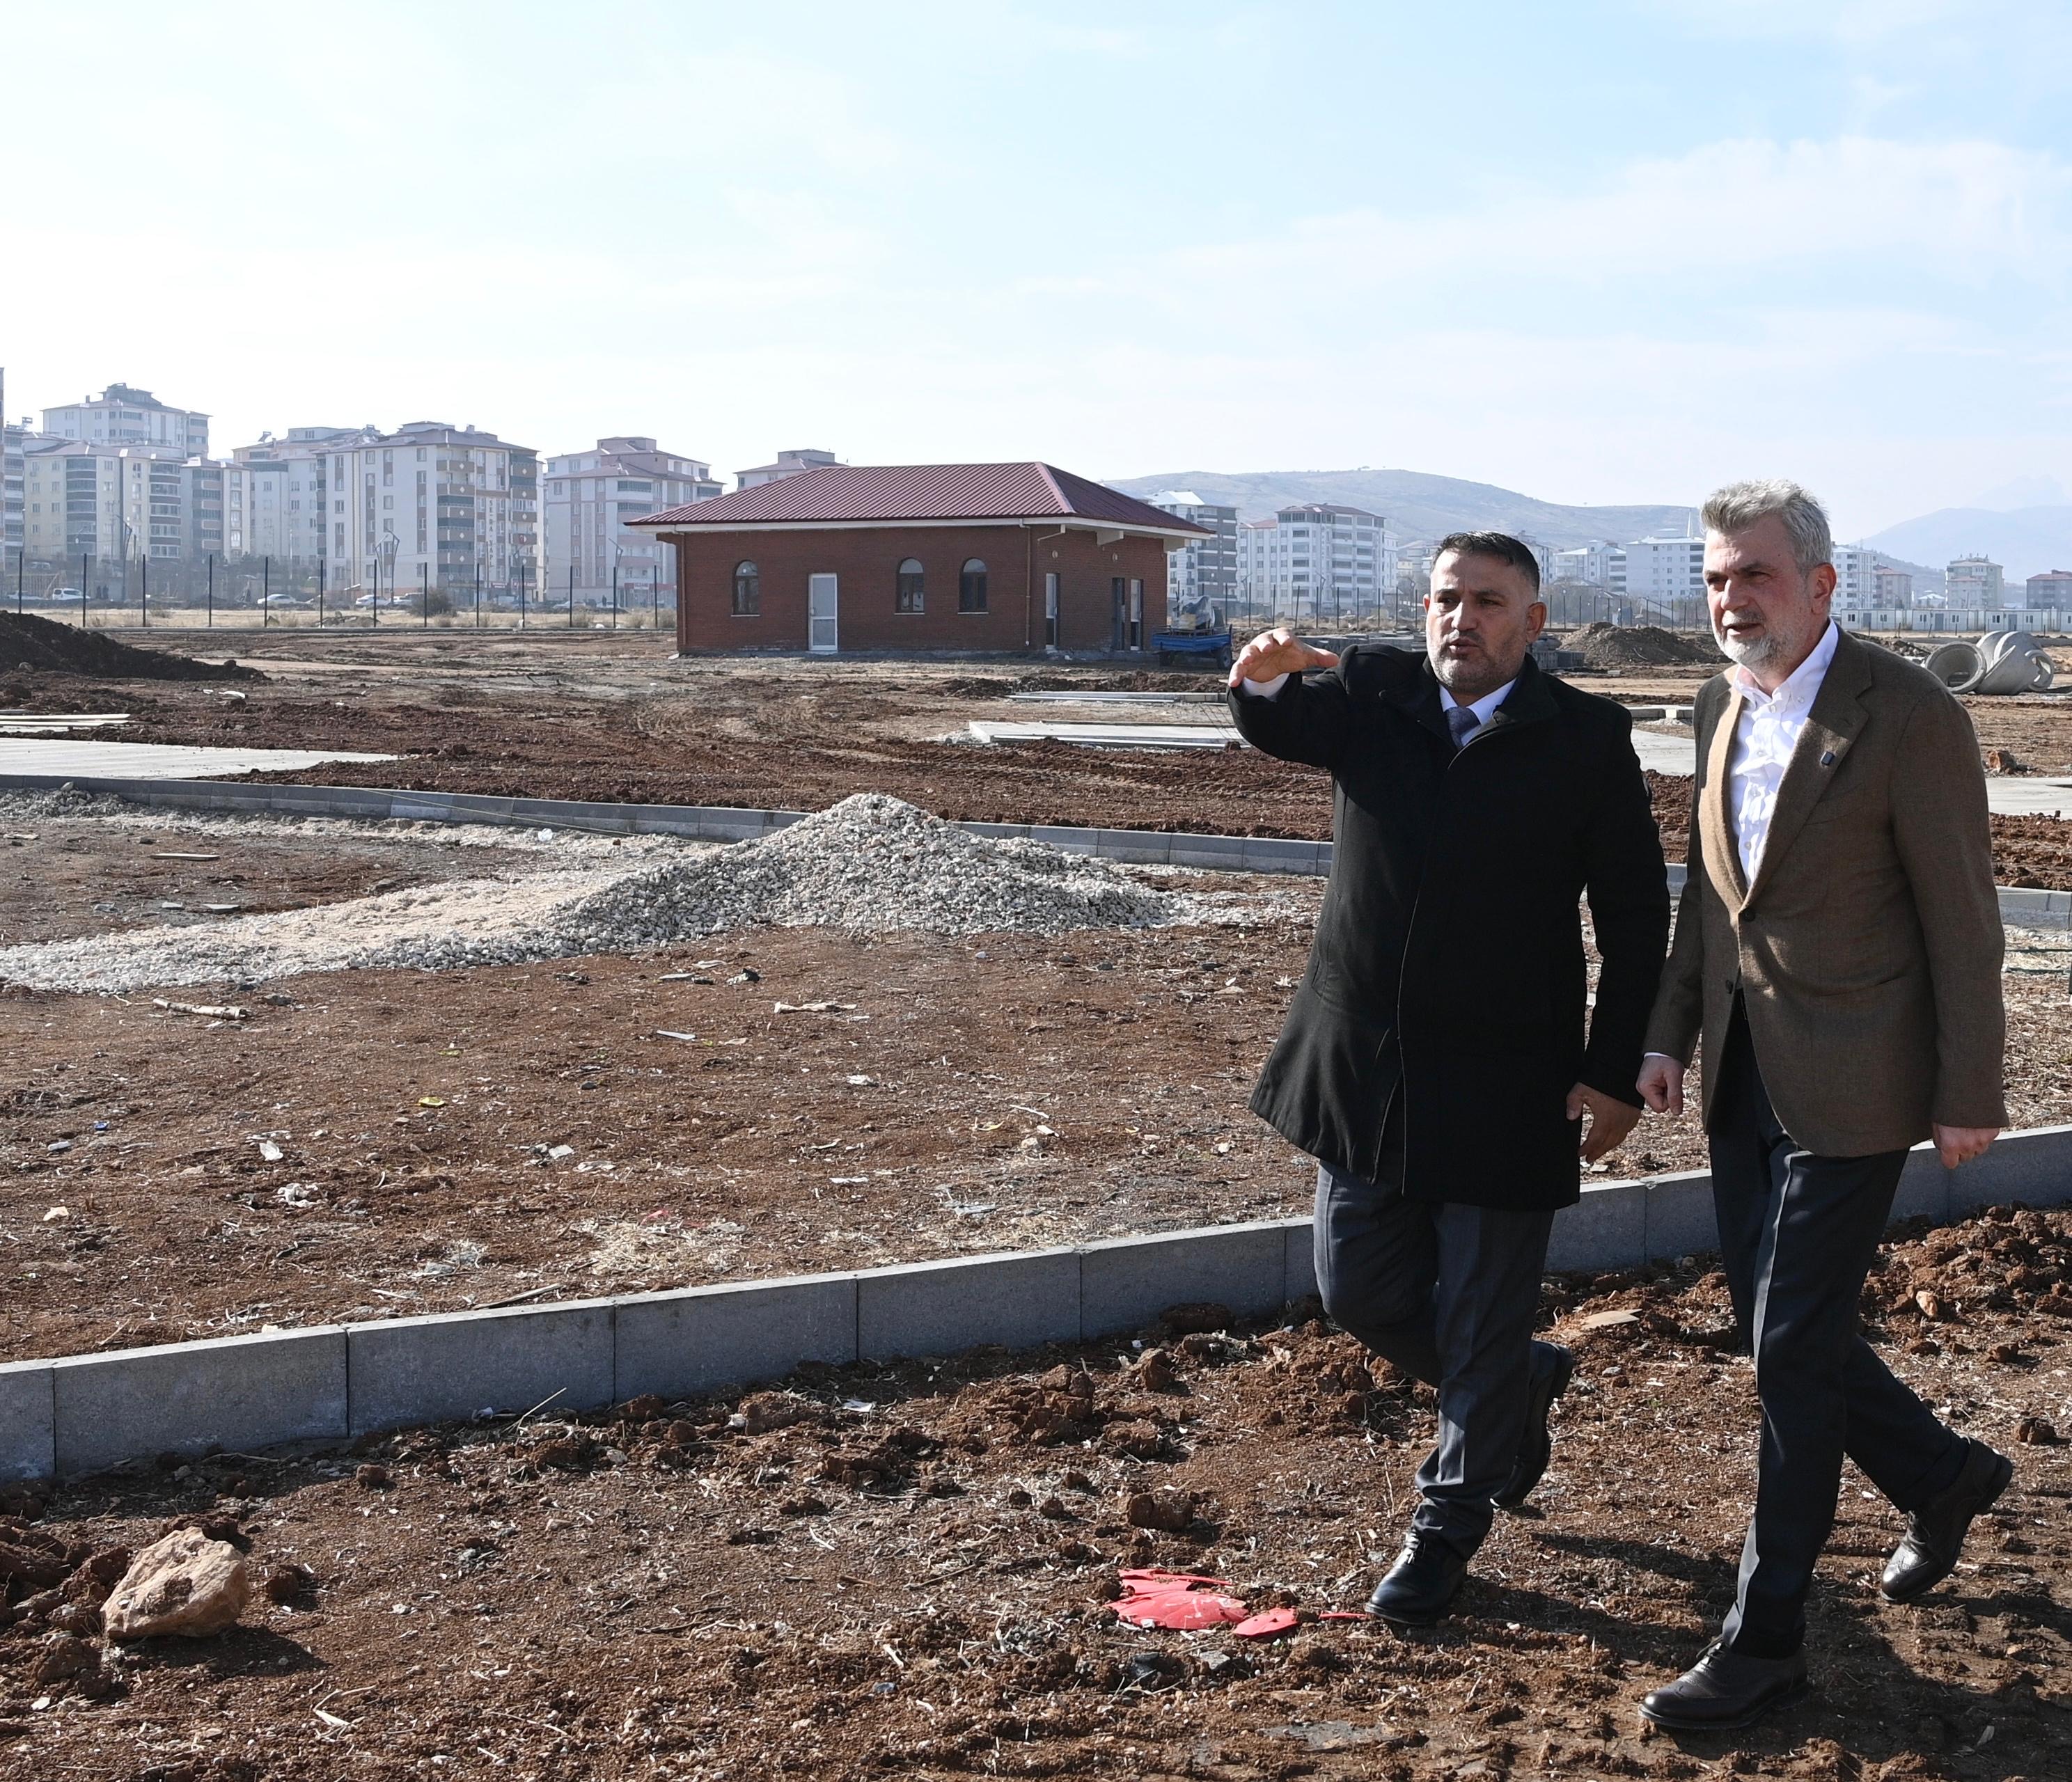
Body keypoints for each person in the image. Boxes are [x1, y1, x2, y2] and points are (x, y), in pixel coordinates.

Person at [1228, 531, 1669, 1625]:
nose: (1459, 618)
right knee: (1359, 1290)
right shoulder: (1374, 707)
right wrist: (1260, 674)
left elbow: (1634, 919)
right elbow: (1274, 719)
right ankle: (1521, 1380)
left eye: (1487, 601)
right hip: (1366, 1072)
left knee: (1478, 1320)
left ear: (1535, 622)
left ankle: (1445, 1529)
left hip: (1509, 1077)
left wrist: (1614, 1074)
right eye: (1443, 599)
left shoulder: (1585, 740)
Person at [1635, 480, 2011, 1733]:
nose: (1730, 600)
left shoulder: (1908, 714)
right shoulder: (1716, 703)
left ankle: (1766, 1641)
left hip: (1860, 1078)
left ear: (1820, 584)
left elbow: (1964, 919)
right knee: (1776, 1326)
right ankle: (1942, 1474)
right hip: (1743, 1071)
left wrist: (1967, 1089)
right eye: (1714, 579)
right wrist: (1667, 1034)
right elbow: (1712, 896)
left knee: (1790, 1353)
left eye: (1754, 574)